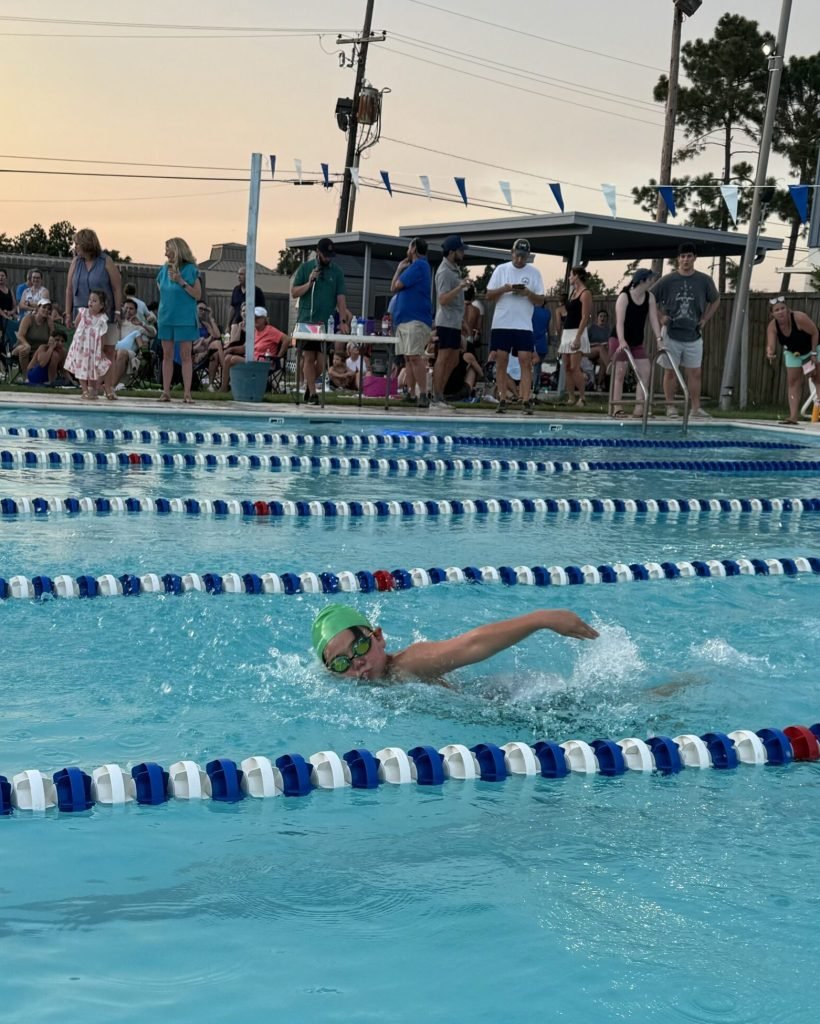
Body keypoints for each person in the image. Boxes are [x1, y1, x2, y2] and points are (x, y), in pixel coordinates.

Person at [311, 605, 599, 686]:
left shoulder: (407, 664)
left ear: (378, 637)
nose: (356, 662)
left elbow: (471, 645)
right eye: (341, 662)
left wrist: (542, 619)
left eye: (359, 647)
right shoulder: (354, 685)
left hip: (509, 704)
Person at [652, 242, 720, 418]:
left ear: (695, 258)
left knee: (695, 372)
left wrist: (705, 318)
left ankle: (695, 408)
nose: (686, 260)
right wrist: (660, 316)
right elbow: (649, 298)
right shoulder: (668, 280)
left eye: (689, 256)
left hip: (693, 333)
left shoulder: (704, 280)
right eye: (682, 256)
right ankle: (670, 406)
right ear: (678, 259)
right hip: (672, 333)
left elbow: (716, 300)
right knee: (670, 372)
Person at [485, 238, 545, 415]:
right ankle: (503, 398)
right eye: (517, 256)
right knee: (501, 360)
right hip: (502, 323)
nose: (520, 260)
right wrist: (505, 289)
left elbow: (541, 300)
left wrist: (527, 293)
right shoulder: (501, 270)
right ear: (512, 253)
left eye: (523, 257)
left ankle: (525, 400)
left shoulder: (534, 273)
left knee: (525, 362)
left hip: (523, 325)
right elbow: (488, 295)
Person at [290, 237, 350, 405]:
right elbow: (294, 292)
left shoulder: (336, 272)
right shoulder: (306, 268)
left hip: (324, 322)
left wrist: (343, 320)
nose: (328, 258)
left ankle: (309, 387)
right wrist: (309, 283)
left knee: (322, 361)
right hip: (307, 320)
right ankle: (314, 394)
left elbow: (341, 297)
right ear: (318, 253)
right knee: (308, 357)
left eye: (330, 255)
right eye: (325, 255)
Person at [65, 229, 123, 398]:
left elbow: (117, 287)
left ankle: (108, 387)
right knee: (87, 351)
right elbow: (69, 289)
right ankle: (91, 388)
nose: (75, 247)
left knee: (107, 351)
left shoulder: (106, 261)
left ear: (86, 244)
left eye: (77, 244)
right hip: (83, 316)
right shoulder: (76, 263)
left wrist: (118, 310)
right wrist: (68, 313)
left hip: (105, 315)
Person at [610, 268, 663, 419]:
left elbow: (654, 320)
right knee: (620, 373)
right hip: (618, 339)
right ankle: (616, 407)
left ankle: (639, 408)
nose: (653, 281)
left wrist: (659, 340)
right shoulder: (624, 297)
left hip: (636, 342)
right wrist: (621, 341)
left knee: (645, 372)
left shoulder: (649, 297)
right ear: (643, 281)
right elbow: (619, 322)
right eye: (651, 279)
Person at [156, 236, 201, 403]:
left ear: (177, 250)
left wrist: (180, 281)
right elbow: (160, 288)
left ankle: (187, 393)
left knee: (185, 356)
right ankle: (166, 391)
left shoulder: (190, 270)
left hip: (185, 319)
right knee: (166, 355)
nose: (166, 253)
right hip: (166, 317)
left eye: (168, 249)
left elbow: (197, 294)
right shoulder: (163, 270)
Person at [391, 237, 433, 409]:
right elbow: (393, 287)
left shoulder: (419, 265)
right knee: (408, 358)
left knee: (415, 356)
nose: (407, 251)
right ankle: (411, 393)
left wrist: (399, 270)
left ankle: (423, 393)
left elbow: (396, 286)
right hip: (405, 320)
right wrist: (399, 268)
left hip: (415, 320)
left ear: (414, 248)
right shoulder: (414, 267)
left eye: (409, 247)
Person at [765, 297, 820, 425]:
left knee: (817, 378)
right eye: (777, 310)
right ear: (772, 314)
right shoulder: (772, 326)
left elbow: (815, 333)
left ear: (788, 309)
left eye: (783, 308)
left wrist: (813, 353)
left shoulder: (799, 318)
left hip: (814, 346)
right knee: (793, 382)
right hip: (793, 353)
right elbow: (771, 345)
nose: (780, 312)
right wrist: (769, 352)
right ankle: (793, 417)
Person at [432, 234, 470, 407]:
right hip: (446, 322)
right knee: (443, 357)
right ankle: (436, 395)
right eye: (461, 250)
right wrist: (460, 286)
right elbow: (442, 299)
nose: (463, 253)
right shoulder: (444, 272)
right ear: (452, 252)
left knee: (454, 360)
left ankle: (441, 392)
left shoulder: (454, 268)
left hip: (454, 322)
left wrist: (461, 321)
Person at [64, 289, 111, 400]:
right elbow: (76, 324)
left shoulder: (102, 319)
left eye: (94, 301)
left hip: (93, 348)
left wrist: (101, 349)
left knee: (93, 368)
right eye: (90, 300)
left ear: (101, 305)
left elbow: (103, 335)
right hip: (81, 346)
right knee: (81, 367)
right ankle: (84, 390)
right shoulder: (83, 312)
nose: (90, 302)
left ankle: (93, 388)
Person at [558, 267, 593, 407]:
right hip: (567, 331)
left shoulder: (585, 293)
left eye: (571, 275)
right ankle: (571, 397)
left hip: (577, 332)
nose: (569, 278)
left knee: (574, 367)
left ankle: (582, 397)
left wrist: (578, 337)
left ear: (577, 276)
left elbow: (585, 317)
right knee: (566, 367)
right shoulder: (573, 292)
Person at [111, 298, 156, 389]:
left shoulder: (137, 325)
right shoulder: (118, 323)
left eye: (131, 309)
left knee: (121, 352)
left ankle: (111, 386)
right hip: (115, 350)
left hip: (131, 354)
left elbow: (153, 333)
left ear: (135, 311)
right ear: (122, 309)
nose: (128, 310)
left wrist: (142, 324)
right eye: (126, 308)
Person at [14, 298, 56, 378]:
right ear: (38, 308)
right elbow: (20, 335)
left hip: (38, 350)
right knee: (25, 348)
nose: (46, 310)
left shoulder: (49, 321)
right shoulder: (28, 319)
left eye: (49, 309)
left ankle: (50, 378)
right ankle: (26, 376)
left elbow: (53, 335)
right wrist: (26, 344)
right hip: (22, 346)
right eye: (44, 307)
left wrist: (51, 328)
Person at [586, 309, 612, 391]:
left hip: (602, 353)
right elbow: (585, 343)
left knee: (602, 361)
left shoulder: (608, 330)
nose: (602, 318)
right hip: (590, 351)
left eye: (604, 316)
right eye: (601, 316)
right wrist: (597, 344)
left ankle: (598, 384)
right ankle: (611, 368)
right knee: (600, 348)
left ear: (607, 318)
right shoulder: (592, 328)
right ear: (597, 318)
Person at [531, 298, 551, 397]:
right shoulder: (547, 313)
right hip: (542, 342)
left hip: (530, 340)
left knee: (526, 366)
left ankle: (531, 388)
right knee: (537, 368)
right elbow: (547, 329)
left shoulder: (531, 310)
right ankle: (535, 388)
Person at [0, 268, 17, 355]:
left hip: (9, 317)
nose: (0, 277)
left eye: (2, 276)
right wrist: (4, 315)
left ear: (6, 277)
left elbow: (14, 306)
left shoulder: (10, 291)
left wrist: (10, 313)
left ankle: (12, 349)